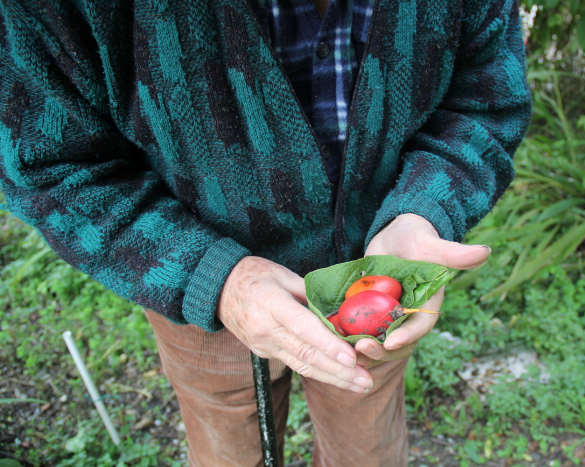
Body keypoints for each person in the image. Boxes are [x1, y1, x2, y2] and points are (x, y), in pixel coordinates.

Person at [0, 0, 531, 465]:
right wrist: (212, 278)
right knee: (225, 452)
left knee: (367, 451)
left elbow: (484, 102)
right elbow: (49, 167)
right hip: (201, 314)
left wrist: (423, 210)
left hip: (370, 302)